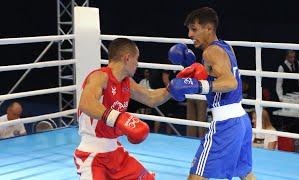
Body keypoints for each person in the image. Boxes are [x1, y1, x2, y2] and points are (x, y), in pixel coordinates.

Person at [167, 7, 255, 180]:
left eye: (194, 29)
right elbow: (219, 75)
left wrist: (199, 85)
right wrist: (196, 70)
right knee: (245, 173)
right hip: (241, 120)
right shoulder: (225, 46)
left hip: (226, 124)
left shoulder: (210, 51)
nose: (190, 35)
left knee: (197, 176)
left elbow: (230, 82)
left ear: (208, 28)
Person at [74, 38, 170, 180]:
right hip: (93, 156)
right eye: (136, 59)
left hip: (115, 153)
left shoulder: (126, 82)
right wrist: (118, 118)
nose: (137, 64)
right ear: (127, 58)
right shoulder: (100, 76)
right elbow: (86, 103)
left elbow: (151, 98)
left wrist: (174, 88)